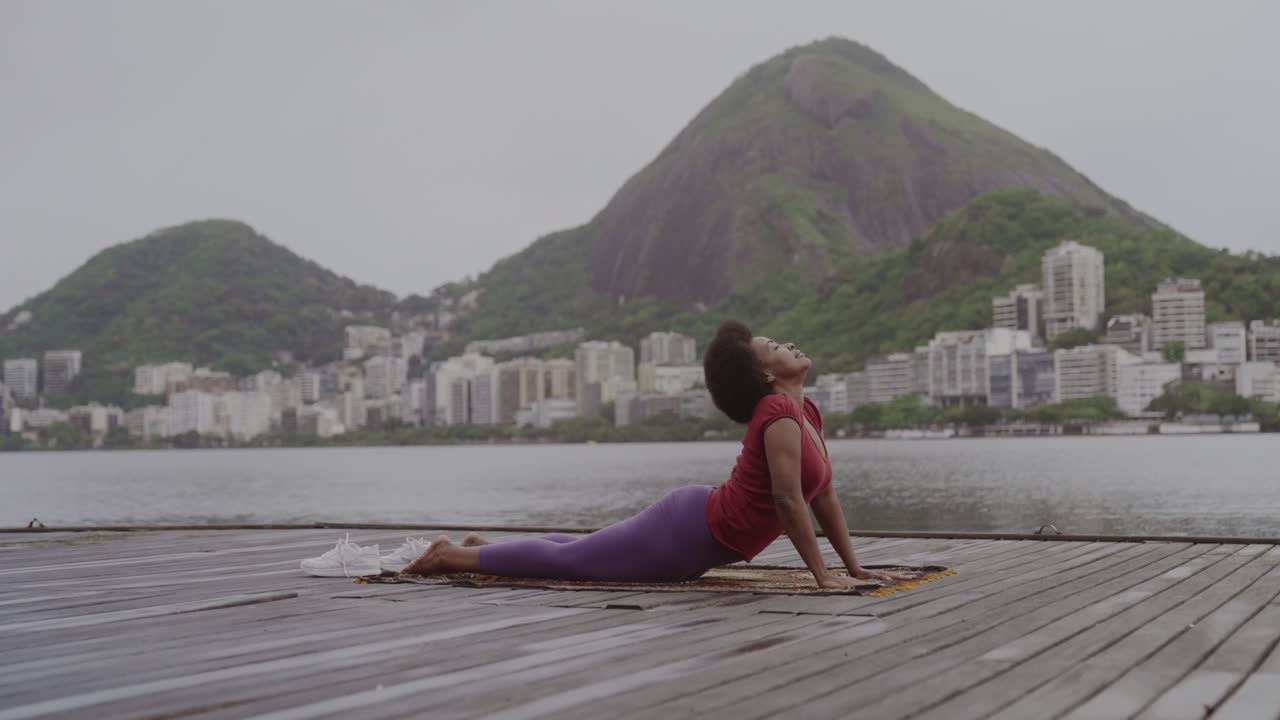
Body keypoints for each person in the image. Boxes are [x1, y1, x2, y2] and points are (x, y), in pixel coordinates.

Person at [402, 320, 911, 589]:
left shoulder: (807, 413)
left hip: (697, 535)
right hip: (687, 531)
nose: (791, 344)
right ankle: (452, 556)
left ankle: (482, 546)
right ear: (765, 375)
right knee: (576, 561)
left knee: (588, 548)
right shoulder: (778, 411)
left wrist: (854, 566)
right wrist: (822, 576)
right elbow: (786, 500)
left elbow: (821, 495)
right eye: (775, 345)